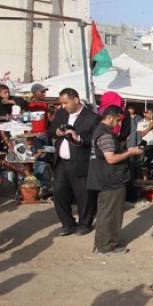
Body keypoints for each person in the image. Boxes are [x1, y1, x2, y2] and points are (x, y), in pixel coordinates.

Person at [87, 105, 143, 255]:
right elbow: (111, 158)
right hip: (110, 180)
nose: (118, 124)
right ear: (110, 117)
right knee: (109, 214)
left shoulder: (101, 132)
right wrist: (129, 152)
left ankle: (104, 243)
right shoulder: (105, 134)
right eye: (117, 121)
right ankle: (106, 246)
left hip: (106, 178)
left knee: (107, 213)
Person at [48, 88, 101, 235]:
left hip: (80, 161)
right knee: (58, 192)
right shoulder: (61, 114)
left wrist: (78, 138)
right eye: (62, 103)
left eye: (66, 103)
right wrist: (56, 132)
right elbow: (50, 130)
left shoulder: (92, 117)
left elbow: (96, 140)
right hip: (61, 162)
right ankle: (68, 223)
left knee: (83, 194)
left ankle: (85, 223)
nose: (63, 106)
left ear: (76, 100)